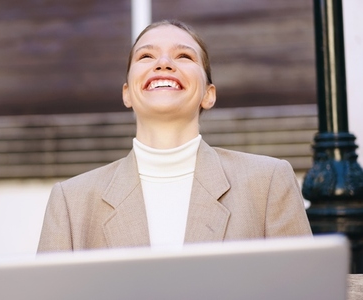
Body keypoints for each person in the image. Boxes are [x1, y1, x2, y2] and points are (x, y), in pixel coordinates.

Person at [37, 20, 312, 253]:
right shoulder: (71, 202)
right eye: (146, 57)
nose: (164, 63)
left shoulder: (268, 183)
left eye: (184, 57)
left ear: (208, 94)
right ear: (127, 93)